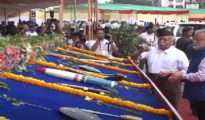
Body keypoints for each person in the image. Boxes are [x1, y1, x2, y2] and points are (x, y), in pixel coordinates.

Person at [140, 28, 189, 108]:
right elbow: (140, 57)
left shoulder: (179, 54)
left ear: (172, 41)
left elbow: (187, 70)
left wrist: (176, 74)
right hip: (151, 81)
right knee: (150, 105)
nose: (161, 42)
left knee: (169, 107)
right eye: (160, 40)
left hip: (169, 83)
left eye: (165, 40)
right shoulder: (152, 51)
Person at [168, 29, 205, 120]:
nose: (194, 42)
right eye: (194, 39)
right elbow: (192, 70)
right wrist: (178, 73)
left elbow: (201, 76)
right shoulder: (198, 52)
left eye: (198, 40)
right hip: (198, 94)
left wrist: (182, 75)